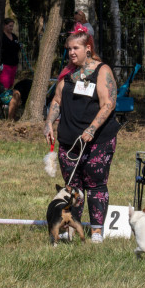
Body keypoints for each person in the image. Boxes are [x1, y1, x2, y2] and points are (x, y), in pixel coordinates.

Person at [44, 28, 119, 243]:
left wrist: (92, 128)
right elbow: (56, 101)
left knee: (96, 185)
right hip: (69, 140)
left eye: (75, 48)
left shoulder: (102, 71)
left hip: (98, 140)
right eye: (68, 49)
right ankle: (69, 226)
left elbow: (108, 104)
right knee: (72, 186)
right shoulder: (67, 73)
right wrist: (49, 122)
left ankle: (96, 231)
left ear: (88, 48)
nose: (71, 53)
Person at [0, 18, 21, 91]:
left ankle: (9, 99)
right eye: (10, 26)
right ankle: (4, 100)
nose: (11, 28)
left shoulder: (14, 36)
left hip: (14, 64)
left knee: (11, 83)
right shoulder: (1, 37)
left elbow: (18, 47)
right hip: (5, 64)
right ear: (4, 26)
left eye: (12, 26)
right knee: (5, 83)